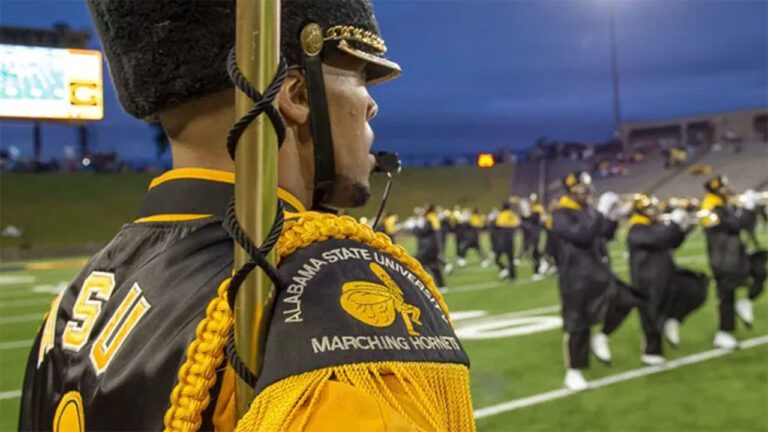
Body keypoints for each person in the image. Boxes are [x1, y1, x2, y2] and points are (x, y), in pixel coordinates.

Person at [19, 1, 475, 430]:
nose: (371, 105)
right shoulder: (318, 286)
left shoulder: (67, 311)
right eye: (358, 78)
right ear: (296, 95)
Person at [547, 172, 642, 391]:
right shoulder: (560, 214)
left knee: (627, 299)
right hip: (576, 277)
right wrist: (601, 213)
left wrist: (614, 217)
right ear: (571, 191)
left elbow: (604, 234)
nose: (586, 193)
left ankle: (602, 336)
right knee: (578, 323)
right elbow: (583, 235)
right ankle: (574, 371)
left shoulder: (586, 210)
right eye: (581, 189)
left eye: (587, 189)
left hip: (599, 271)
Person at [627, 194, 708, 365]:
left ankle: (674, 319)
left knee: (696, 286)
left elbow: (670, 241)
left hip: (666, 273)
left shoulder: (652, 224)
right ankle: (651, 352)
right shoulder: (636, 227)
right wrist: (674, 225)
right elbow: (658, 239)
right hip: (647, 279)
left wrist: (683, 230)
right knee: (652, 314)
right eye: (650, 208)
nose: (654, 211)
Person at [701, 175, 760, 349]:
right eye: (724, 188)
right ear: (717, 189)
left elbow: (745, 226)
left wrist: (748, 211)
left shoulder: (720, 204)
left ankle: (745, 303)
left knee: (759, 270)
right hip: (722, 257)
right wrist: (748, 209)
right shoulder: (710, 206)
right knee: (726, 295)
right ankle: (723, 333)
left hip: (732, 254)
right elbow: (734, 225)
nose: (728, 190)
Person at [413, 204, 447, 290]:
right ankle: (441, 285)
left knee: (418, 263)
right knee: (434, 265)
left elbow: (423, 232)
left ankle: (425, 284)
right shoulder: (434, 216)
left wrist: (416, 227)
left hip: (429, 246)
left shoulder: (429, 218)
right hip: (434, 245)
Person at [492, 202, 520, 280]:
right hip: (511, 239)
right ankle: (513, 276)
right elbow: (517, 222)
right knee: (510, 259)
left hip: (502, 239)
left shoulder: (501, 215)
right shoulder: (512, 214)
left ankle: (504, 269)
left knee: (497, 258)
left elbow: (498, 225)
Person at [521, 193, 546, 278]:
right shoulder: (531, 208)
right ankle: (542, 262)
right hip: (532, 231)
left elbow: (540, 219)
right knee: (533, 249)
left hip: (536, 230)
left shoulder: (538, 208)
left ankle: (540, 266)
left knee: (535, 248)